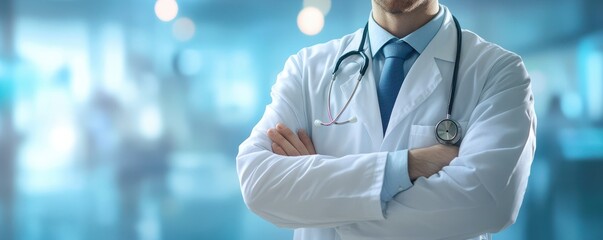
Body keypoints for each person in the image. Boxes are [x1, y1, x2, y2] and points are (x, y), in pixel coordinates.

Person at [237, 0, 536, 239]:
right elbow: (258, 183)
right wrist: (406, 165)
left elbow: (487, 204)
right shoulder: (306, 69)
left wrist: (322, 210)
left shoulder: (497, 72)